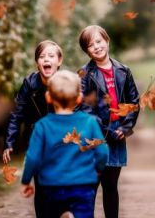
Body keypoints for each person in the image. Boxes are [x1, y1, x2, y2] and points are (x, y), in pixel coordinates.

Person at [21, 70, 109, 218]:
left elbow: (33, 157)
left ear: (48, 97)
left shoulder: (42, 125)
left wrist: (26, 181)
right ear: (80, 98)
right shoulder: (90, 122)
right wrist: (98, 169)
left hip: (51, 186)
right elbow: (102, 151)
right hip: (83, 184)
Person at [79, 25, 139, 218]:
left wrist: (126, 126)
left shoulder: (123, 71)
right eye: (90, 45)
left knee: (111, 186)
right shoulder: (85, 74)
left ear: (107, 40)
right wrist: (104, 129)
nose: (96, 47)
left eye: (99, 41)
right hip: (95, 135)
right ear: (86, 51)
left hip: (118, 132)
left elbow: (133, 101)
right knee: (91, 186)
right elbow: (84, 108)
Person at [3, 40, 63, 217]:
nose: (46, 59)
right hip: (37, 141)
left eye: (51, 56)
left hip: (61, 142)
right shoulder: (29, 84)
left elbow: (78, 112)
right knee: (42, 187)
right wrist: (9, 142)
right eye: (42, 56)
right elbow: (17, 113)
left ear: (59, 61)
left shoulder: (66, 82)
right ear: (37, 62)